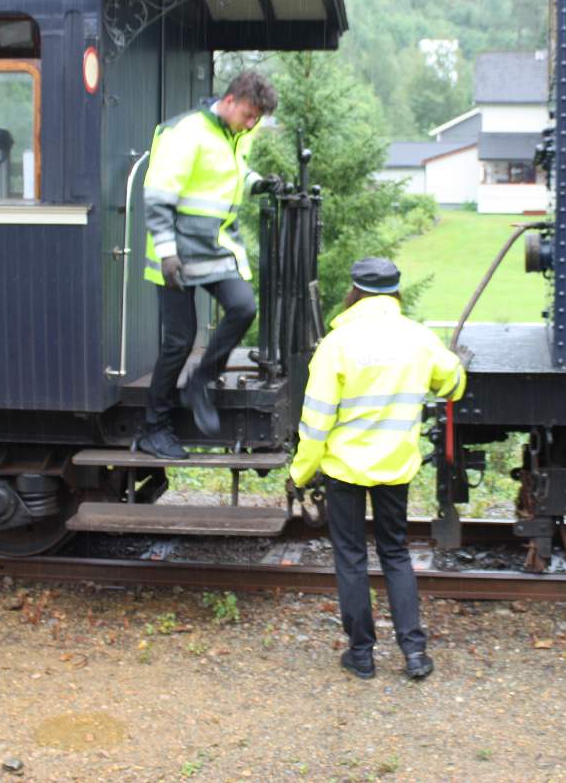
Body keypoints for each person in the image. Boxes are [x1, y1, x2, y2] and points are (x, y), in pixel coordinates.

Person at [289, 258, 467, 680]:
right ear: (395, 292)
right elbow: (454, 382)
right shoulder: (417, 338)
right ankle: (414, 653)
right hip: (395, 468)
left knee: (350, 557)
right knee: (396, 554)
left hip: (344, 471)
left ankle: (362, 655)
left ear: (354, 293)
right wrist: (443, 379)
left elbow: (315, 421)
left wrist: (300, 473)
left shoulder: (338, 343)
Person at [134, 70, 282, 459]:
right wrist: (166, 252)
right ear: (229, 100)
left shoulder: (236, 133)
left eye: (256, 120)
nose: (252, 124)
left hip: (213, 248)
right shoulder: (186, 133)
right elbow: (158, 196)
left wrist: (258, 184)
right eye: (249, 115)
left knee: (243, 307)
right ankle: (155, 429)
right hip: (176, 254)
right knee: (179, 341)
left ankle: (200, 381)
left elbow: (229, 175)